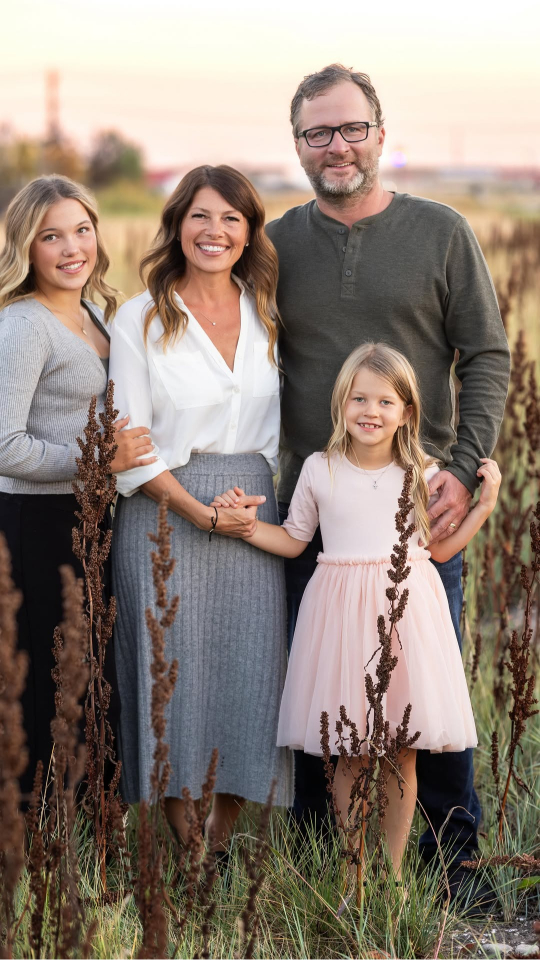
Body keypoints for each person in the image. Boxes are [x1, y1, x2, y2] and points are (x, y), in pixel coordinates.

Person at [265, 64, 511, 906]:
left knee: (423, 700)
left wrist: (462, 462)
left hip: (416, 509)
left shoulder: (441, 232)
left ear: (380, 129)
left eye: (351, 128)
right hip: (318, 507)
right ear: (297, 142)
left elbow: (486, 354)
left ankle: (454, 869)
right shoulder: (276, 242)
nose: (337, 146)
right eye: (317, 133)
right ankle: (321, 869)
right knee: (320, 700)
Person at [212, 342, 501, 883]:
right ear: (340, 404)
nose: (371, 411)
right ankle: (353, 870)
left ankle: (390, 875)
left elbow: (438, 551)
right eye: (358, 399)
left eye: (385, 402)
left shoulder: (422, 471)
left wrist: (482, 506)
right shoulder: (320, 469)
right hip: (341, 620)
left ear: (407, 412)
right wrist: (248, 527)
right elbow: (296, 539)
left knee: (402, 752)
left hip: (406, 615)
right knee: (348, 750)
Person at [109, 164, 293, 854]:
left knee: (251, 677)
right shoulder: (142, 317)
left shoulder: (267, 309)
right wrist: (198, 512)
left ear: (249, 234)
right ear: (177, 225)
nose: (214, 232)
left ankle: (221, 842)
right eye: (200, 217)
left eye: (231, 219)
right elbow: (131, 442)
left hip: (252, 510)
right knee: (172, 685)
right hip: (166, 515)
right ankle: (190, 855)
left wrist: (250, 507)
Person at [0, 174, 157, 801]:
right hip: (35, 523)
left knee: (90, 673)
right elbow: (4, 446)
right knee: (49, 676)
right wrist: (96, 460)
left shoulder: (98, 312)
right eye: (51, 236)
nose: (72, 248)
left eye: (82, 230)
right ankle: (41, 826)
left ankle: (91, 827)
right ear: (26, 248)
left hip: (89, 515)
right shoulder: (24, 326)